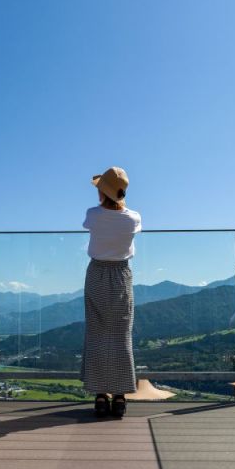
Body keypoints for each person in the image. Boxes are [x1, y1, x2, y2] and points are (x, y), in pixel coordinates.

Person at [80, 166, 142, 418]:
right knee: (121, 334)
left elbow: (92, 225)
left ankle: (99, 394)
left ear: (102, 192)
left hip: (96, 274)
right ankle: (120, 395)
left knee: (97, 333)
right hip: (121, 275)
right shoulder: (134, 218)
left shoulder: (92, 215)